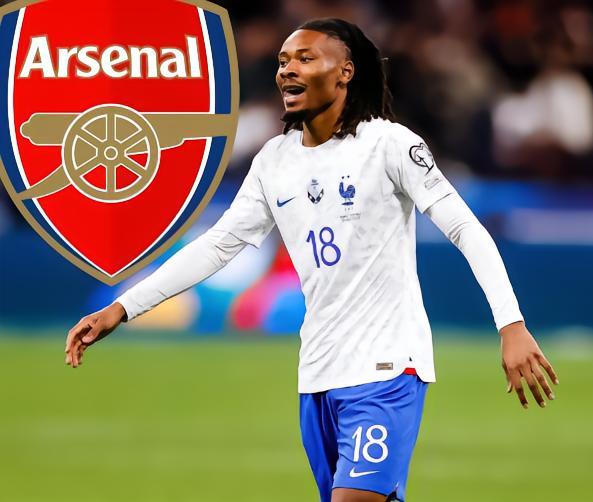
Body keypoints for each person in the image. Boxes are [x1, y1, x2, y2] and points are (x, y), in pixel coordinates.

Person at [65, 18, 559, 502]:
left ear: (345, 71)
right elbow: (218, 245)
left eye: (305, 58)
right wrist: (123, 308)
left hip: (387, 369)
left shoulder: (390, 144)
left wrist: (511, 324)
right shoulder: (274, 161)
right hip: (318, 374)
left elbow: (466, 229)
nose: (287, 70)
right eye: (283, 61)